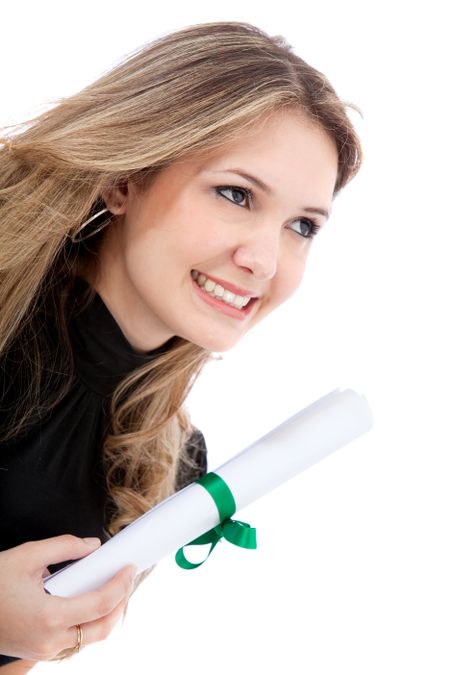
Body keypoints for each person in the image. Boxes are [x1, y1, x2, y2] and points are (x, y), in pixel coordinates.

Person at [0, 20, 361, 672]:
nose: (263, 258)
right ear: (126, 180)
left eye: (302, 226)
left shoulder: (165, 466)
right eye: (235, 193)